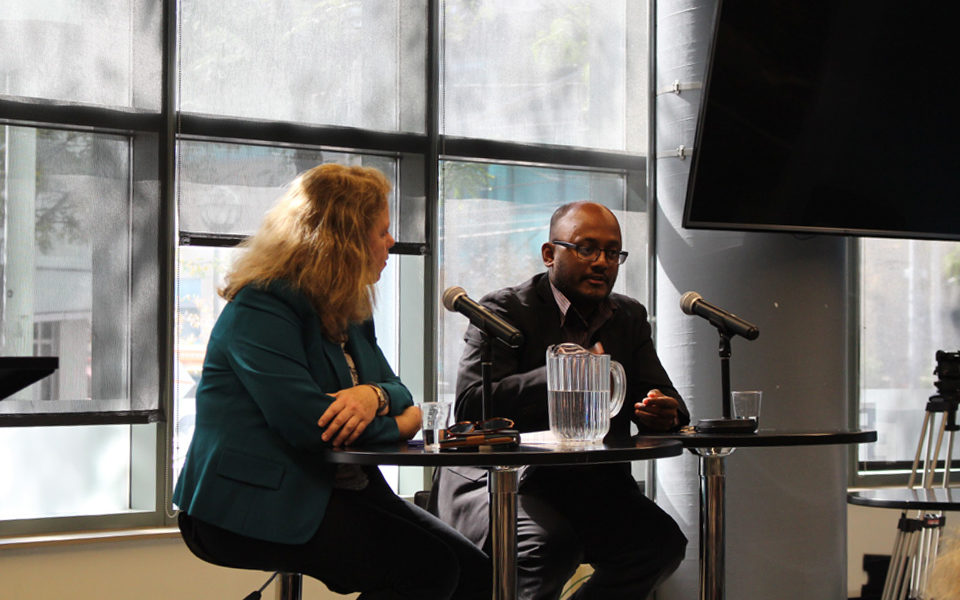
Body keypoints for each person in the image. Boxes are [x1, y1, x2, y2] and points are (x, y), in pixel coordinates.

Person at [173, 163, 490, 599]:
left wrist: (371, 395)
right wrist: (401, 423)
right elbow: (311, 426)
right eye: (381, 232)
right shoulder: (261, 307)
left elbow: (397, 389)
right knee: (428, 569)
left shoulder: (348, 307)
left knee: (474, 572)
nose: (392, 242)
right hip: (245, 506)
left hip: (339, 489)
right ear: (345, 240)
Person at [432, 201, 689, 600]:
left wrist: (662, 412)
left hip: (586, 485)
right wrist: (564, 372)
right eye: (586, 248)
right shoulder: (503, 311)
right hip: (503, 482)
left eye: (612, 252)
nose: (602, 262)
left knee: (659, 543)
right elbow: (470, 404)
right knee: (547, 547)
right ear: (550, 254)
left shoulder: (629, 317)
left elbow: (665, 398)